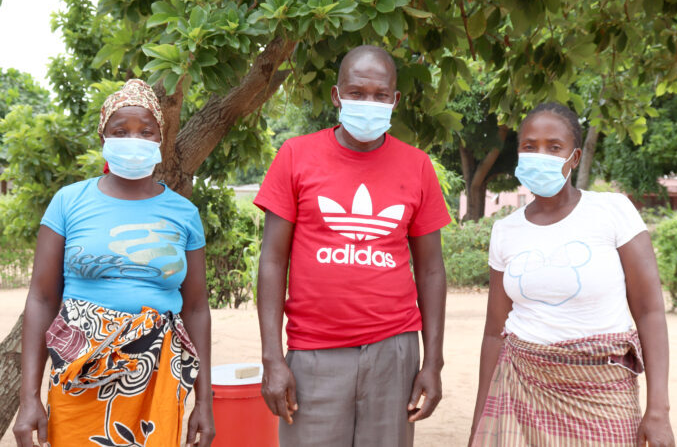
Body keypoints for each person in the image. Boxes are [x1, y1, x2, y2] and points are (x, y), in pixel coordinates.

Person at [254, 45, 451, 447]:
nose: (369, 103)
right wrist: (272, 358)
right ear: (336, 95)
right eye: (357, 92)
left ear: (395, 100)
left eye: (380, 95)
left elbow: (431, 270)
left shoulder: (417, 166)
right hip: (314, 355)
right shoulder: (295, 156)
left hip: (393, 353)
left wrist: (433, 361)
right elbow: (273, 260)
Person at [12, 79, 215, 447]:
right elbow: (41, 299)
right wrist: (29, 398)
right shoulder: (68, 202)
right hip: (79, 372)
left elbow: (197, 307)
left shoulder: (184, 213)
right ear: (104, 139)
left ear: (160, 139)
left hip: (156, 378)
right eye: (120, 131)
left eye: (145, 131)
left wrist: (205, 402)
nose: (134, 140)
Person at [469, 102, 675, 446]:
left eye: (554, 147)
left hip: (603, 395)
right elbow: (494, 332)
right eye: (529, 147)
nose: (540, 155)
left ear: (574, 157)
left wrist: (659, 410)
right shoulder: (505, 230)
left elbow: (649, 310)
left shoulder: (613, 212)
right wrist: (480, 422)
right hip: (520, 390)